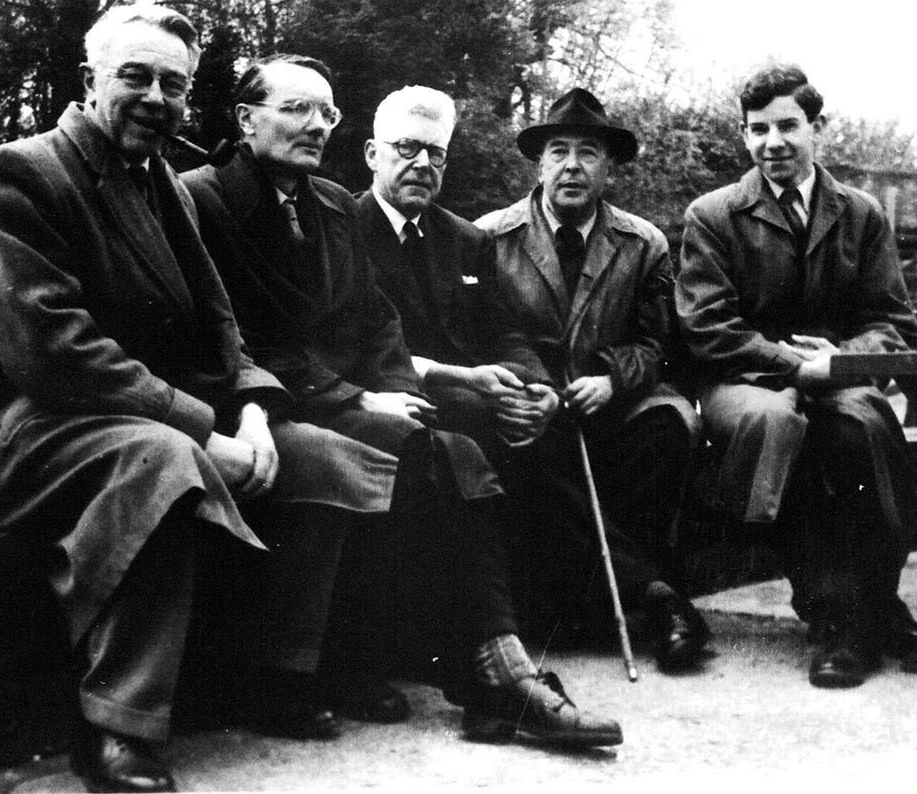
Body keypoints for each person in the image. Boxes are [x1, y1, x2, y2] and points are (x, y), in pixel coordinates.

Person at [0, 7, 404, 791]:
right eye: (135, 77)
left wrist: (253, 408)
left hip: (117, 412)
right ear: (88, 84)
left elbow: (220, 324)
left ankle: (274, 675)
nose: (156, 97)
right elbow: (53, 353)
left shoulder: (162, 185)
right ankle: (118, 722)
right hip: (10, 422)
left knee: (318, 454)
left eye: (174, 85)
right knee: (165, 458)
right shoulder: (18, 172)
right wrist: (201, 428)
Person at [181, 53, 622, 748]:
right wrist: (358, 396)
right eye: (295, 109)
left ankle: (493, 672)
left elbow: (375, 317)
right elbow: (235, 332)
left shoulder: (325, 202)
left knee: (446, 447)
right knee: (437, 453)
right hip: (260, 398)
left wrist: (397, 391)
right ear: (245, 118)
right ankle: (486, 675)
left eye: (324, 111)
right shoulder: (201, 199)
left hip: (341, 395)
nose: (315, 124)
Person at [675, 64, 917, 689]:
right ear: (744, 136)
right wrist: (794, 365)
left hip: (839, 379)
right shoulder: (714, 214)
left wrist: (839, 362)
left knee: (862, 429)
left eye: (788, 126)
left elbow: (892, 322)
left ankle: (873, 603)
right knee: (787, 429)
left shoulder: (860, 214)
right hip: (742, 382)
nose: (773, 142)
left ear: (818, 128)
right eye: (758, 130)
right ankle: (839, 623)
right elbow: (705, 328)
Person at [474, 88, 708, 670]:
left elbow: (657, 343)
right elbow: (484, 334)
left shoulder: (643, 243)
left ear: (609, 168)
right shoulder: (489, 238)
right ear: (540, 162)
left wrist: (610, 379)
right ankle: (658, 598)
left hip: (613, 405)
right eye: (558, 151)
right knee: (531, 440)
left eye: (588, 153)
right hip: (534, 404)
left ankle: (597, 600)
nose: (572, 166)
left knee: (669, 423)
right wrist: (536, 389)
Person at [358, 86, 555, 465]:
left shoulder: (467, 238)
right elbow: (354, 347)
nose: (421, 164)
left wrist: (540, 386)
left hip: (473, 394)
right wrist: (462, 379)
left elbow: (502, 330)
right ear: (372, 154)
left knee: (542, 416)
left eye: (436, 154)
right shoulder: (343, 231)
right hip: (395, 394)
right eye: (406, 147)